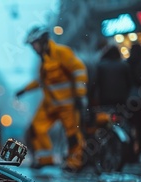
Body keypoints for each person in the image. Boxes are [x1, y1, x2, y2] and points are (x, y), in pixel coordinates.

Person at [15, 26, 88, 172]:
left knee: (72, 135)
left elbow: (79, 71)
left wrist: (80, 95)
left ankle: (75, 163)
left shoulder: (62, 52)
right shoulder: (44, 61)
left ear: (42, 41)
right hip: (50, 105)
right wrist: (24, 90)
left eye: (34, 44)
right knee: (36, 128)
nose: (33, 48)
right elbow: (40, 81)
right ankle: (45, 159)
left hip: (67, 105)